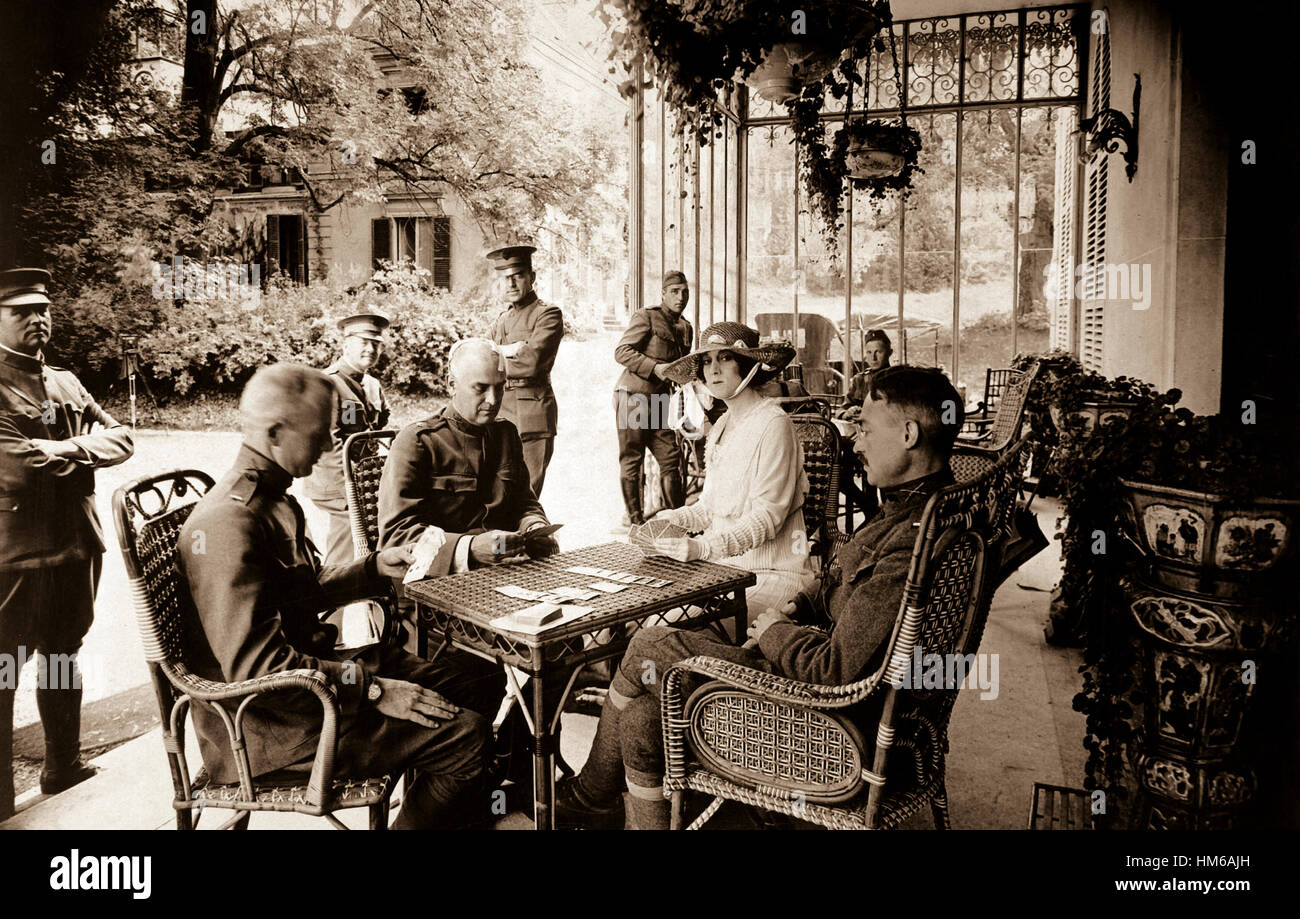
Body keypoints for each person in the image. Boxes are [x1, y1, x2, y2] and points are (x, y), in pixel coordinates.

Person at [556, 365, 964, 829]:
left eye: (867, 428)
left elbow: (834, 670)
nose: (857, 442)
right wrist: (804, 604)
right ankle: (613, 808)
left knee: (651, 645)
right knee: (644, 716)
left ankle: (589, 796)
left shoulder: (910, 539)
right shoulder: (927, 512)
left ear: (908, 434)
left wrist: (776, 631)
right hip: (875, 716)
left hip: (834, 734)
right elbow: (848, 588)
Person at [178, 364, 492, 829]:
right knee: (468, 736)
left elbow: (296, 594)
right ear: (275, 433)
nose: (330, 446)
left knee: (479, 679)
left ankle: (443, 804)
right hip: (268, 727)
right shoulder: (229, 521)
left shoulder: (271, 496)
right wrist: (374, 689)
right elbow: (259, 671)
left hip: (310, 687)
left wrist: (372, 569)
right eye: (319, 434)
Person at [0, 268, 135, 820]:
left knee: (63, 655)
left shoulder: (66, 381)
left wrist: (66, 450)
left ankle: (63, 765)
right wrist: (84, 449)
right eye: (22, 312)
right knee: (4, 669)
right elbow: (17, 469)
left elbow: (123, 437)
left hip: (75, 546)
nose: (38, 319)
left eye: (44, 310)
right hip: (16, 556)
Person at [647, 321, 817, 626]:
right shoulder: (723, 425)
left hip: (771, 576)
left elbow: (767, 518)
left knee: (668, 628)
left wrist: (703, 547)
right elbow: (709, 507)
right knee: (644, 614)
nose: (713, 370)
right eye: (707, 361)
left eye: (724, 358)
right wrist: (672, 519)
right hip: (723, 571)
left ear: (748, 364)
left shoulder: (774, 424)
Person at [377, 337, 558, 580]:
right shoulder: (418, 441)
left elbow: (525, 502)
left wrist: (534, 526)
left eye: (500, 387)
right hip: (439, 582)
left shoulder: (506, 433)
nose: (493, 400)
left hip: (506, 570)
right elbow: (395, 536)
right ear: (451, 384)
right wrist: (469, 549)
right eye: (480, 388)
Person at [304, 311, 391, 567]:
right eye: (363, 342)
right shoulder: (328, 384)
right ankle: (333, 599)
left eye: (376, 344)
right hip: (334, 481)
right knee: (351, 530)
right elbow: (327, 445)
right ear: (346, 344)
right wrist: (351, 490)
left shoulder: (372, 385)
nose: (370, 349)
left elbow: (382, 424)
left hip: (364, 478)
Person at [613, 270, 694, 527]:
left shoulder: (687, 328)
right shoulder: (646, 316)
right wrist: (654, 368)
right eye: (674, 291)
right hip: (634, 397)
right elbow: (622, 352)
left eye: (684, 292)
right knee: (633, 459)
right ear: (663, 294)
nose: (680, 297)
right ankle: (636, 524)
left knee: (671, 459)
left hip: (661, 401)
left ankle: (678, 524)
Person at [487, 244, 563, 498]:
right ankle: (507, 539)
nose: (511, 283)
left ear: (532, 277)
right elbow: (483, 358)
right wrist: (512, 350)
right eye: (505, 278)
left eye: (517, 275)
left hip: (532, 416)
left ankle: (527, 538)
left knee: (527, 495)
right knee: (499, 491)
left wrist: (498, 353)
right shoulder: (501, 320)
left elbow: (532, 363)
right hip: (500, 414)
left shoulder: (547, 314)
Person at [846, 328, 894, 404]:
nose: (873, 358)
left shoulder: (897, 379)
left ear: (890, 353)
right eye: (869, 352)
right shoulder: (859, 380)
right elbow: (844, 407)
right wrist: (847, 412)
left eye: (878, 352)